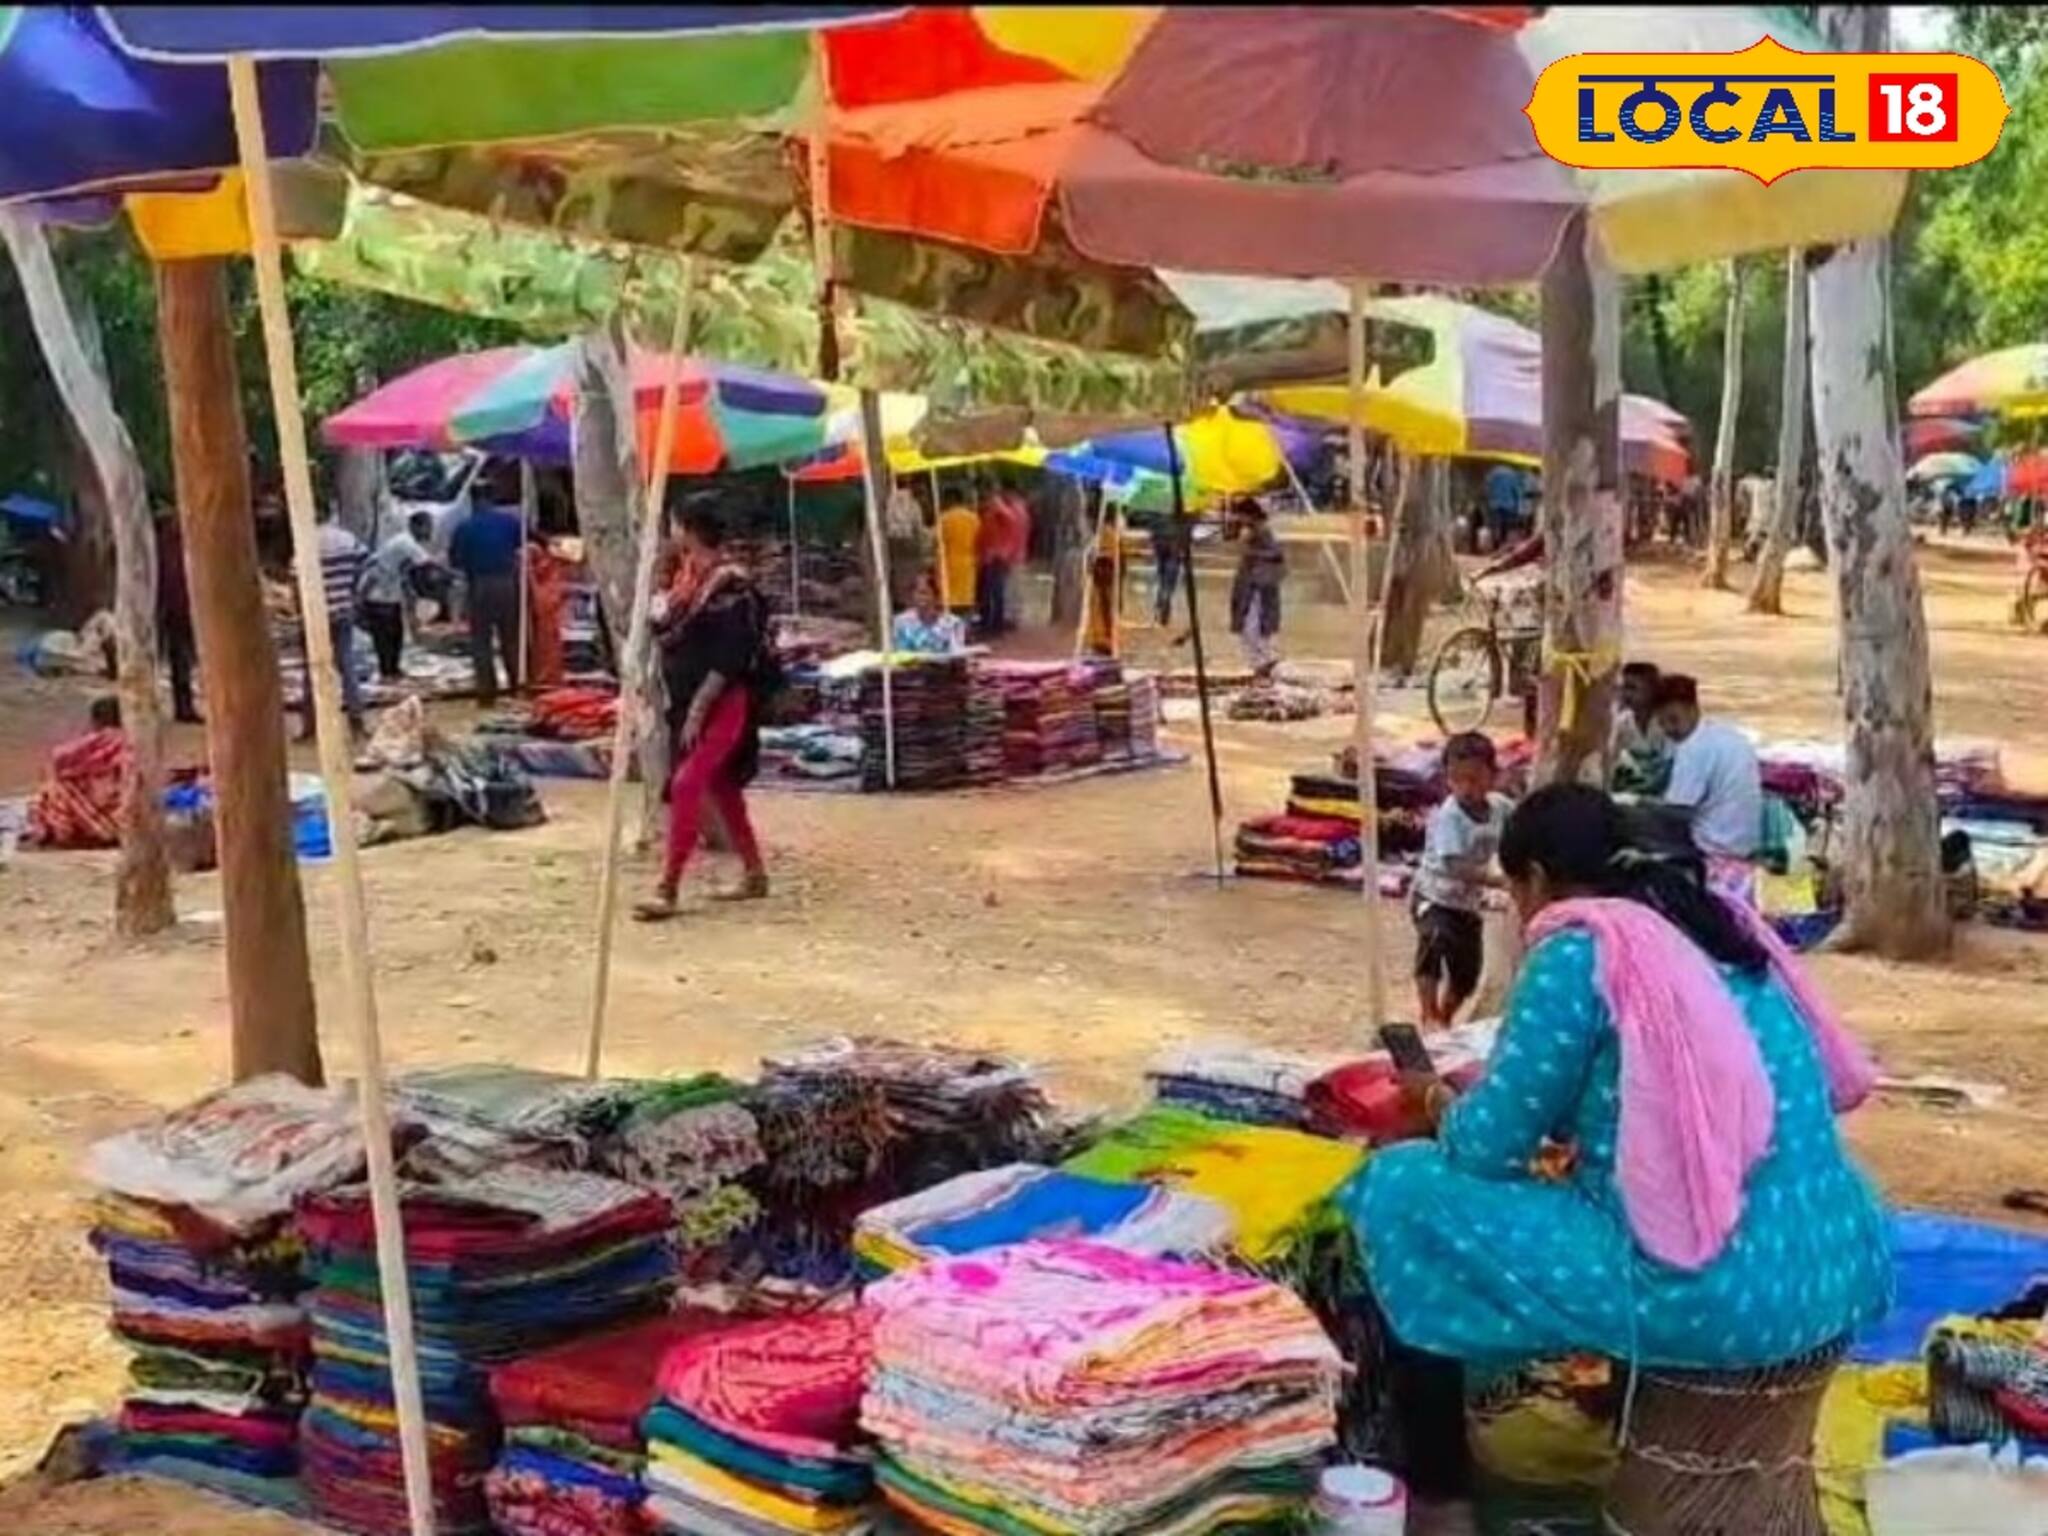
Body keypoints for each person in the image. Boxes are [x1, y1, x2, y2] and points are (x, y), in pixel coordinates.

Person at [1351, 783, 1889, 1385]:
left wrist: (1432, 1097)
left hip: (1708, 1291)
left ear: (1533, 877)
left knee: (1400, 1184)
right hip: (1827, 1260)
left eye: (1514, 892)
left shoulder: (1579, 950)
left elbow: (1485, 1149)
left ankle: (1440, 1442)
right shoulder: (1714, 928)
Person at [634, 509, 774, 921]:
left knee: (686, 783)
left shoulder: (730, 587)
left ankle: (669, 886)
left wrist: (699, 708)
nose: (672, 533)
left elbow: (733, 652)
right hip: (686, 697)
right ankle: (754, 873)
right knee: (723, 788)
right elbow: (662, 630)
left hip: (722, 701)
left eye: (676, 526)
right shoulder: (685, 582)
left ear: (690, 531)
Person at [1412, 732, 1511, 1027]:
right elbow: (1454, 865)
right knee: (1433, 941)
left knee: (1467, 972)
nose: (1466, 788)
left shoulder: (1501, 808)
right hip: (1433, 896)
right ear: (1447, 779)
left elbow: (1520, 830)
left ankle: (1445, 1014)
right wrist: (1498, 881)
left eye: (1475, 779)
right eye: (1458, 780)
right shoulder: (1450, 816)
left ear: (1493, 777)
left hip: (1466, 905)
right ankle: (1429, 1013)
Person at [1654, 673, 1763, 905]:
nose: (1668, 729)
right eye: (1662, 723)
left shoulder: (1692, 748)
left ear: (1693, 709)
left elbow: (1677, 812)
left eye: (1673, 720)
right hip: (1745, 844)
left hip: (1714, 848)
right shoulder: (1730, 736)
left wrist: (1638, 807)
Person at [448, 462, 525, 706]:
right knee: (510, 638)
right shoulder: (510, 522)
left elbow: (456, 562)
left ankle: (487, 693)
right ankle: (516, 686)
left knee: (481, 641)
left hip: (479, 586)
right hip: (507, 584)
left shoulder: (464, 528)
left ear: (473, 501)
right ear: (492, 498)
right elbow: (527, 543)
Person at [25, 696, 131, 850]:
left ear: (95, 720)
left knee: (56, 786)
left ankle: (63, 830)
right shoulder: (134, 742)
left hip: (104, 812)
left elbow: (57, 760)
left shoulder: (96, 742)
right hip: (127, 814)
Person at [360, 511, 438, 684]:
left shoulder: (403, 542)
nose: (430, 532)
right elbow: (428, 566)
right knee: (386, 636)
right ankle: (388, 672)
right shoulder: (406, 543)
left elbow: (407, 572)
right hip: (378, 594)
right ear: (416, 527)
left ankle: (392, 670)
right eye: (428, 527)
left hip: (388, 593)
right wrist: (455, 575)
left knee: (395, 634)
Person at [315, 507, 369, 735]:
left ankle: (317, 720)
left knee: (316, 664)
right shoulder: (347, 539)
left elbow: (296, 575)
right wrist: (355, 592)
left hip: (317, 612)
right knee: (347, 663)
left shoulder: (308, 541)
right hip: (344, 607)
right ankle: (355, 716)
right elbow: (368, 564)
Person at [1227, 498, 1286, 678]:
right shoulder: (1252, 531)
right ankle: (1260, 661)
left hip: (1257, 585)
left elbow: (1276, 553)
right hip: (1250, 583)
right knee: (1251, 626)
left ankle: (1262, 660)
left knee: (1252, 625)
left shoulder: (1262, 530)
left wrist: (1250, 552)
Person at [154, 507, 200, 724]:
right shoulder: (174, 554)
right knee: (180, 659)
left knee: (177, 660)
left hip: (171, 610)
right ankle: (183, 706)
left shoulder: (163, 553)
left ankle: (182, 705)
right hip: (177, 611)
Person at [1609, 661, 1671, 798]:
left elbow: (1669, 771)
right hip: (1637, 790)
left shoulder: (1665, 724)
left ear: (1652, 691)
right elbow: (1613, 762)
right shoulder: (1623, 722)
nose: (1625, 694)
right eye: (1623, 688)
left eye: (1632, 688)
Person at [524, 529, 569, 690]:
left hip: (546, 601)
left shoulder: (542, 559)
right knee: (543, 641)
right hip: (547, 600)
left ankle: (548, 676)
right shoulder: (548, 557)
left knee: (547, 641)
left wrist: (529, 569)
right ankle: (545, 674)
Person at [892, 571, 967, 655]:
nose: (921, 598)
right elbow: (900, 652)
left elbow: (957, 652)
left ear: (935, 595)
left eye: (925, 593)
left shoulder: (952, 623)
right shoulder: (902, 622)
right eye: (917, 593)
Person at [936, 484, 981, 626]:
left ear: (950, 499)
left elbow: (936, 541)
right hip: (968, 563)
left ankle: (950, 629)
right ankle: (964, 629)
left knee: (949, 601)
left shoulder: (944, 519)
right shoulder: (974, 519)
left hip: (948, 563)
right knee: (966, 600)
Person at [1149, 512, 1184, 626]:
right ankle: (1165, 599)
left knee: (1162, 573)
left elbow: (1152, 519)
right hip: (1174, 540)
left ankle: (1160, 602)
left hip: (1160, 540)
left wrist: (1153, 537)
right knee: (1170, 577)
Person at [1483, 462, 1525, 552]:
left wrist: (1489, 500)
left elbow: (1487, 489)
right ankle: (1502, 545)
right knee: (1505, 526)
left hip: (1495, 504)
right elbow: (1517, 491)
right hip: (1509, 505)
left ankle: (1496, 545)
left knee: (1495, 525)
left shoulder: (1492, 474)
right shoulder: (1512, 475)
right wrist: (1519, 507)